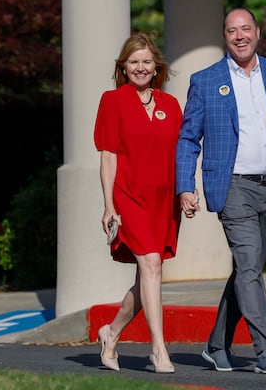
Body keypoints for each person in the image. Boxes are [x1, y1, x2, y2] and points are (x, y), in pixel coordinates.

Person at [176, 8, 266, 374]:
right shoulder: (206, 81)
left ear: (257, 32)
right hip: (234, 186)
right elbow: (188, 138)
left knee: (248, 268)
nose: (239, 36)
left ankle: (216, 345)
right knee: (249, 265)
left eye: (245, 29)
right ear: (224, 36)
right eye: (231, 31)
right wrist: (184, 187)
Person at [94, 32, 183, 373]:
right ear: (124, 67)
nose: (141, 67)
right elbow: (108, 157)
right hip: (128, 195)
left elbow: (181, 153)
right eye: (134, 62)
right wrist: (108, 204)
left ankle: (111, 332)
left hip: (163, 200)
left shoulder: (170, 105)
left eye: (147, 61)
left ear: (156, 66)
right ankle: (159, 349)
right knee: (151, 267)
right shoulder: (112, 101)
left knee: (149, 273)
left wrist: (186, 191)